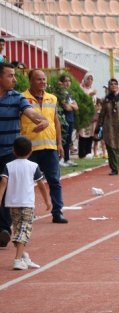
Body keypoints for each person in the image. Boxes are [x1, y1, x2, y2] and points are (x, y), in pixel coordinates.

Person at [0, 63, 48, 247]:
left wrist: (41, 120)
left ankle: (3, 230)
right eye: (10, 75)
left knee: (5, 192)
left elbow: (31, 113)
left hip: (7, 153)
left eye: (14, 75)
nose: (14, 79)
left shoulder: (17, 98)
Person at [21, 69, 68, 223]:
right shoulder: (22, 98)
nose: (43, 82)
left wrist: (59, 143)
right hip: (29, 148)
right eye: (39, 79)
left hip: (49, 147)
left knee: (54, 180)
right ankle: (28, 212)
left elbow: (55, 121)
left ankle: (57, 212)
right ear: (31, 81)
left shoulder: (52, 98)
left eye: (44, 79)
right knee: (27, 183)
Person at [0, 136, 51, 270]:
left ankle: (23, 256)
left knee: (18, 229)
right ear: (30, 151)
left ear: (13, 151)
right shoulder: (33, 166)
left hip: (12, 204)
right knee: (24, 231)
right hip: (27, 204)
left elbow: (3, 183)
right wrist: (47, 201)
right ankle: (17, 259)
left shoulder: (8, 166)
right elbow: (41, 185)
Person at [57, 74, 78, 167]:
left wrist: (72, 106)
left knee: (69, 140)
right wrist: (71, 106)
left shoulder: (69, 94)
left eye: (69, 81)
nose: (67, 83)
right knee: (63, 139)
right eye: (65, 81)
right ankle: (61, 159)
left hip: (70, 118)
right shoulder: (60, 94)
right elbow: (66, 107)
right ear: (61, 82)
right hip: (63, 119)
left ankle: (67, 159)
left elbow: (76, 107)